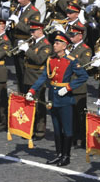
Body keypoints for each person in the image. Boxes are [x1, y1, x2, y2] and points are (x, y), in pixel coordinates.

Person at [26, 32, 88, 167]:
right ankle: (59, 154)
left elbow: (83, 76)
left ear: (65, 46)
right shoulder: (51, 60)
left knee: (67, 128)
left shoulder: (71, 60)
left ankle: (66, 156)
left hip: (65, 98)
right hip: (53, 98)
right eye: (54, 43)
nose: (54, 45)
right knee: (57, 127)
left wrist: (69, 87)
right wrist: (32, 90)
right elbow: (43, 77)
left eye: (57, 43)